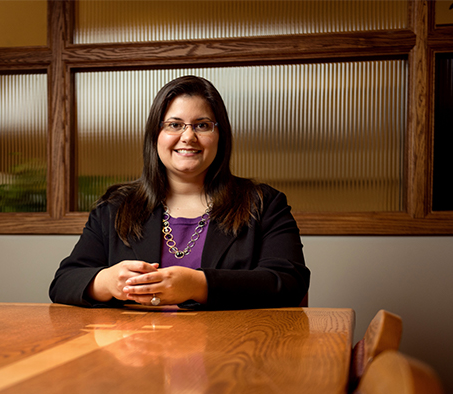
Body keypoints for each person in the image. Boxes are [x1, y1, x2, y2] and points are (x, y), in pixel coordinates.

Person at [49, 75, 310, 310]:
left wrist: (199, 285)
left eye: (202, 125)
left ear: (220, 135)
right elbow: (63, 282)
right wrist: (105, 282)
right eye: (174, 125)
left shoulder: (263, 203)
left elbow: (290, 282)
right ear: (156, 135)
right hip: (137, 354)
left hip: (228, 354)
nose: (188, 137)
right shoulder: (116, 206)